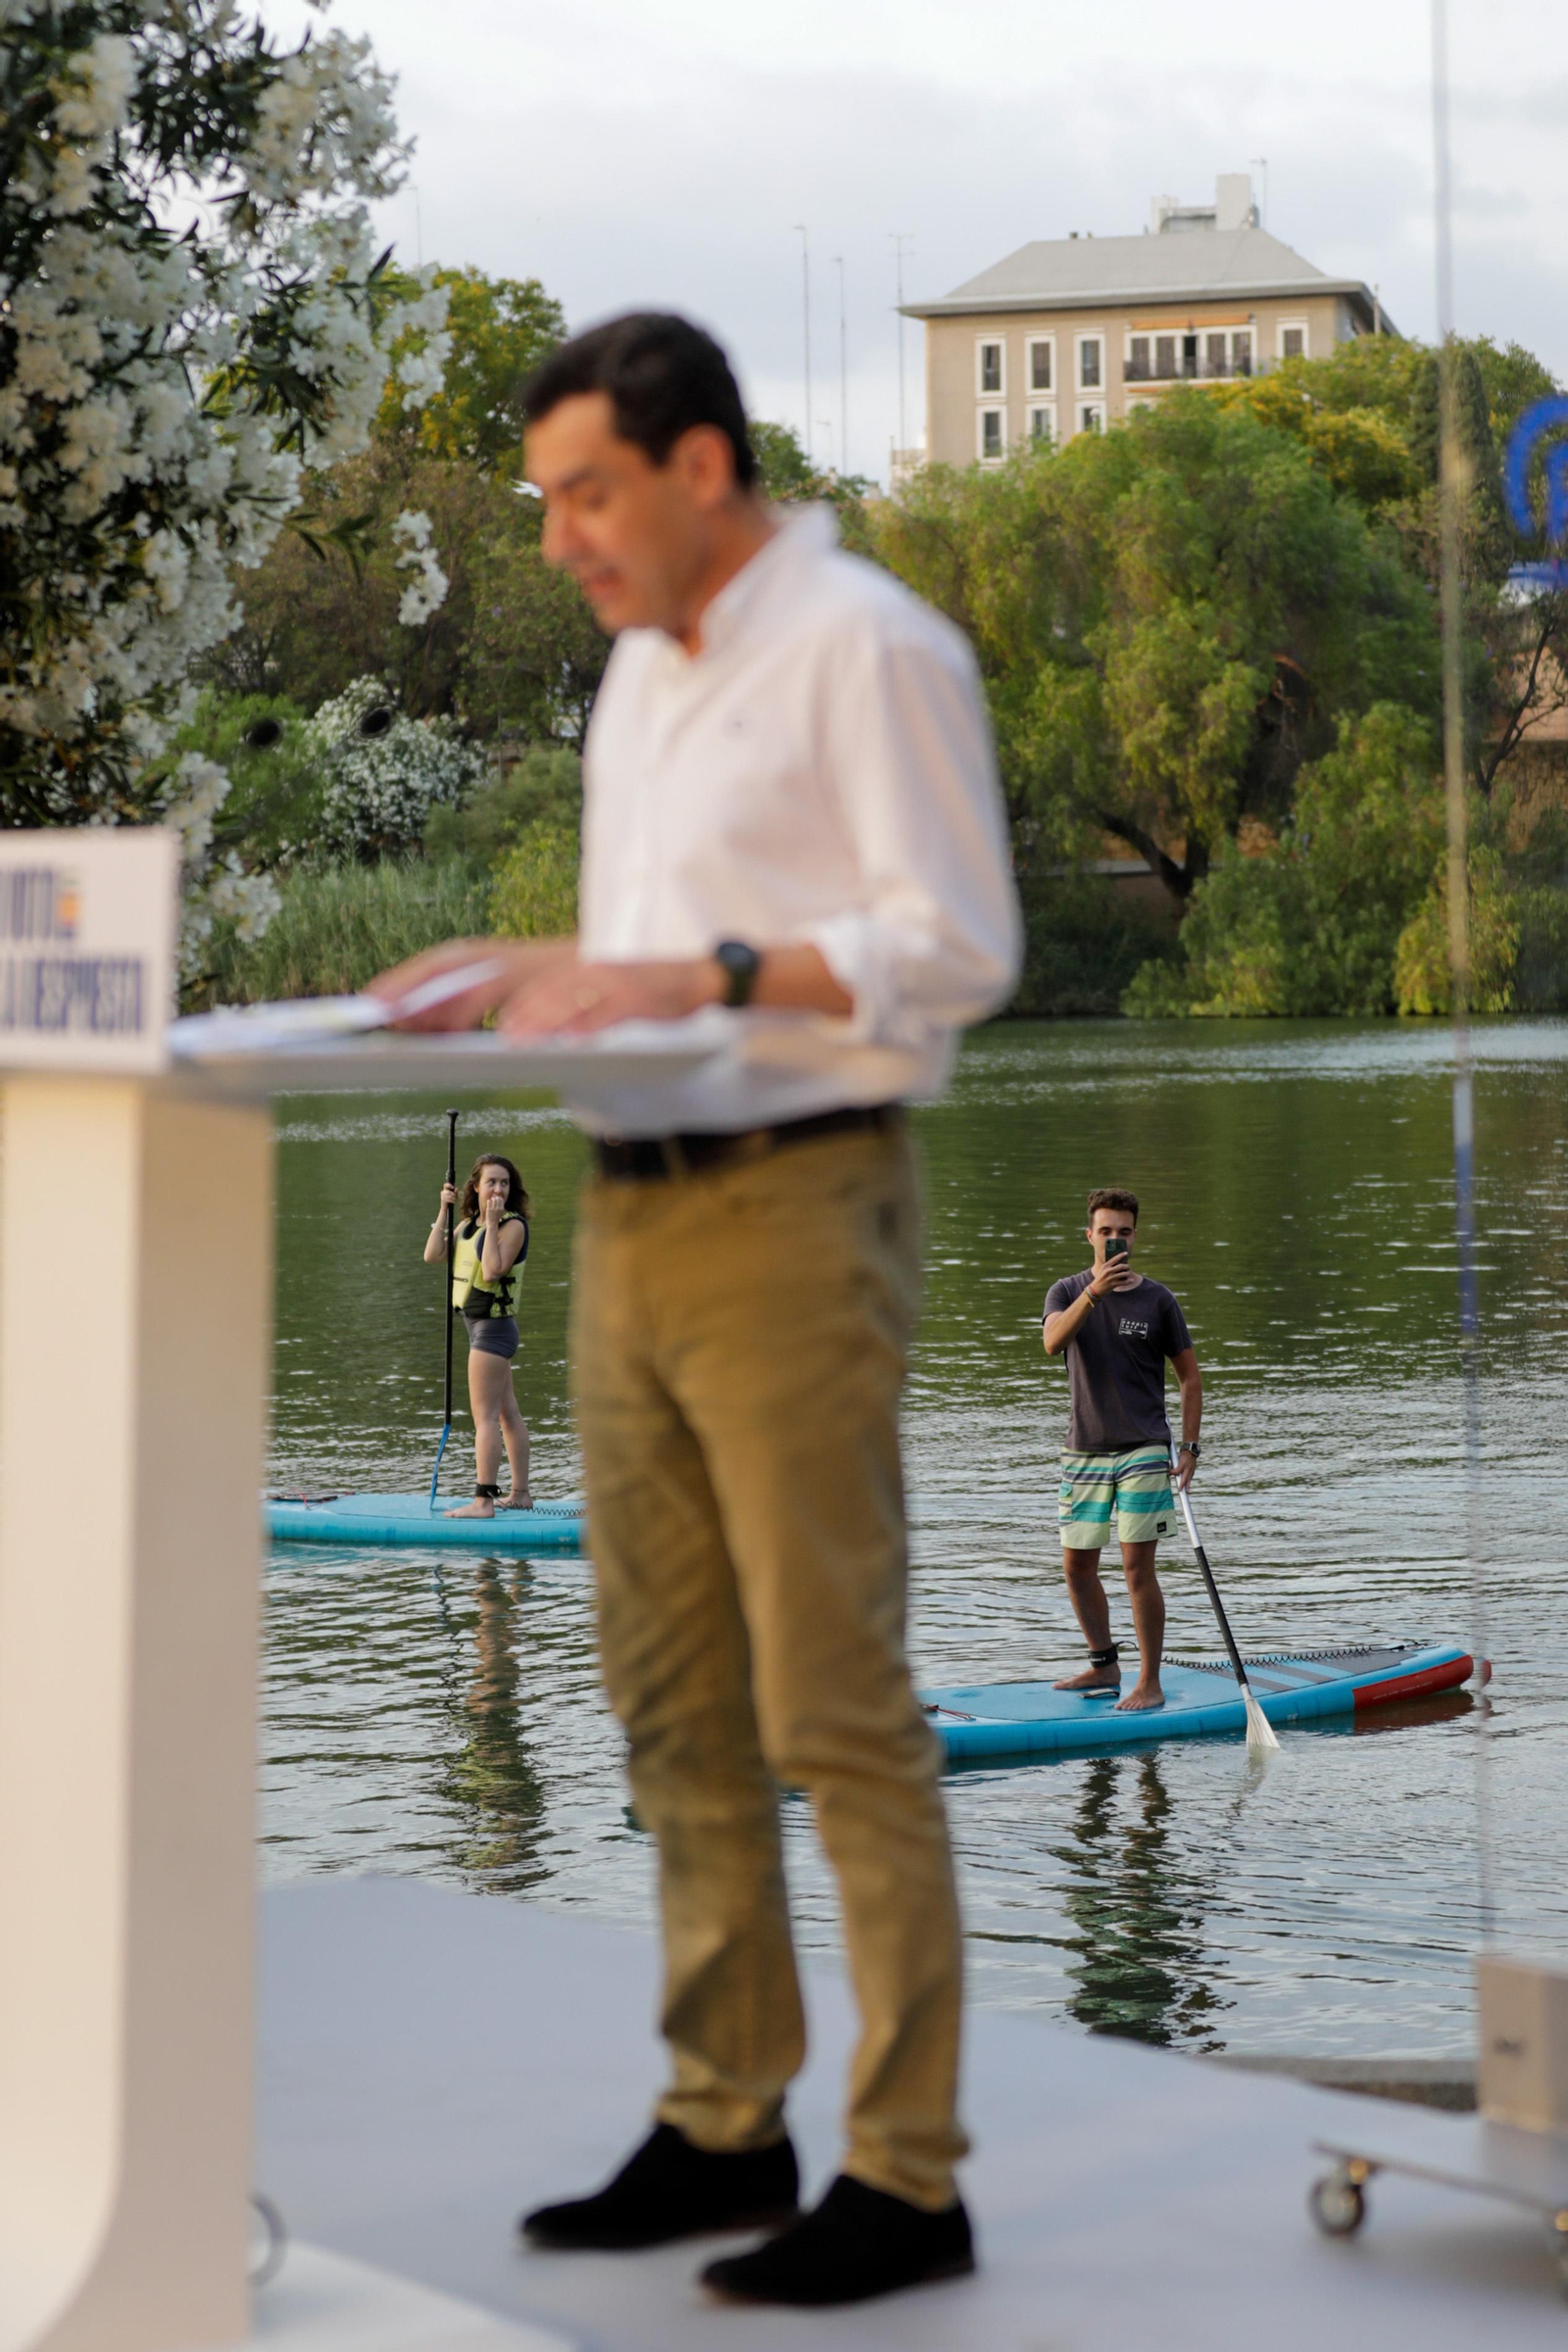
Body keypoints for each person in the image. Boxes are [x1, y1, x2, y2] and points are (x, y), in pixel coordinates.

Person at [376, 312, 1021, 2309]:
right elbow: (661, 956)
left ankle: (908, 2176)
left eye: (585, 494)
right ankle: (725, 2121)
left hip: (795, 1204)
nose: (558, 536)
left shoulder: (867, 646)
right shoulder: (644, 677)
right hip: (630, 1216)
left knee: (831, 1701)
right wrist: (532, 962)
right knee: (664, 1691)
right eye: (546, 499)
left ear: (700, 470)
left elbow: (956, 945)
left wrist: (705, 974)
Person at [1042, 1187, 1202, 1713]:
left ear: (1135, 1236)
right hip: (1084, 1449)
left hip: (1144, 1447)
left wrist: (1190, 1448)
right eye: (1106, 1231)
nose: (1116, 1239)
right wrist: (1095, 1293)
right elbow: (1052, 1342)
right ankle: (1104, 1664)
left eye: (1125, 1232)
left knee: (1137, 1567)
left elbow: (1189, 1378)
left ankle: (1149, 1681)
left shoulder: (1158, 1300)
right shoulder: (1066, 1291)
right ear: (1090, 1235)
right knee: (1076, 1567)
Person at [423, 1152, 532, 1517]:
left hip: (493, 1330)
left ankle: (483, 1501)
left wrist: (494, 1222)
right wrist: (444, 1209)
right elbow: (432, 1255)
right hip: (480, 1329)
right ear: (476, 1187)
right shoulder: (467, 1225)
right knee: (506, 1413)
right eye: (491, 1182)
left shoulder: (512, 1227)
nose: (498, 1189)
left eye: (504, 1183)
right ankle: (520, 1495)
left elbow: (492, 1270)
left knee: (484, 1418)